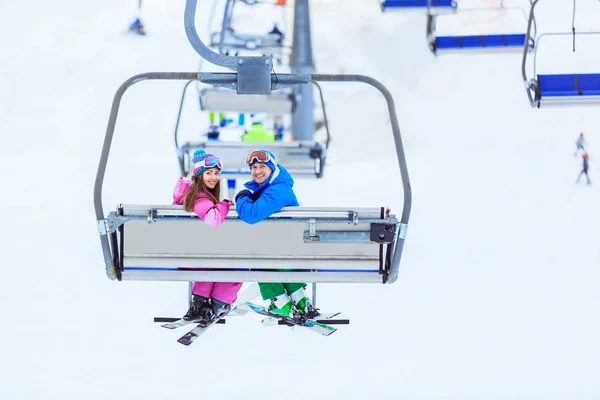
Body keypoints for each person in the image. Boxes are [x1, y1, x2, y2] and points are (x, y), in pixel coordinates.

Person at [235, 149, 318, 319]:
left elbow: (251, 215)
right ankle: (300, 301)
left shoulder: (277, 191)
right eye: (254, 167)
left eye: (262, 166)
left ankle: (281, 303)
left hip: (286, 249)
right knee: (269, 252)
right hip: (289, 247)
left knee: (259, 257)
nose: (257, 171)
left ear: (272, 168)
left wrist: (241, 197)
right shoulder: (275, 187)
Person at [172, 149, 241, 326]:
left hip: (187, 254)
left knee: (211, 259)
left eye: (217, 173)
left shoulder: (189, 194)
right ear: (198, 175)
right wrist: (225, 204)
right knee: (236, 267)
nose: (214, 177)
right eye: (209, 173)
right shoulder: (198, 197)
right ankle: (218, 305)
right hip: (194, 258)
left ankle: (200, 304)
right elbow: (213, 219)